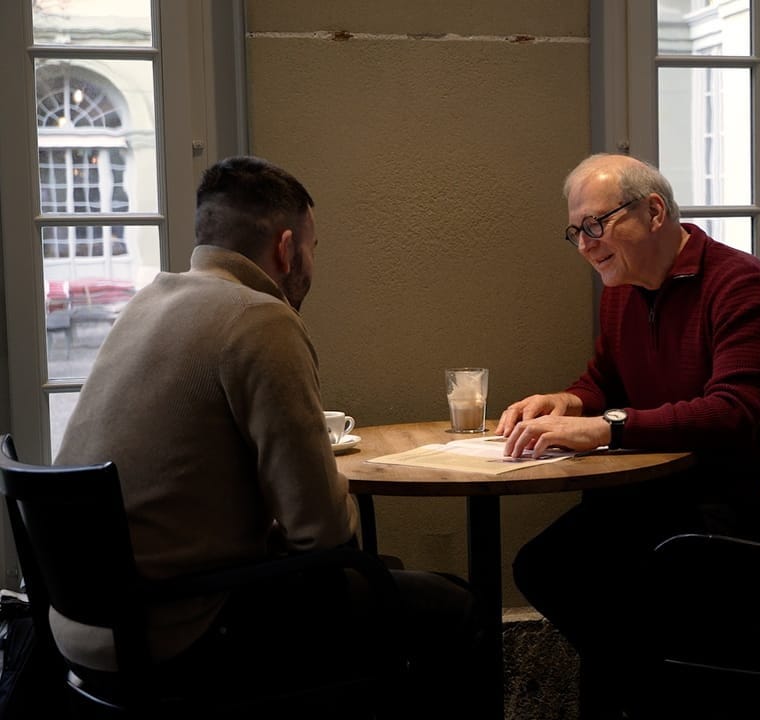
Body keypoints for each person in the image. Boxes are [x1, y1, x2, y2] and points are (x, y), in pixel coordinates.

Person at [55, 155, 484, 717]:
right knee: (455, 604)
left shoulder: (145, 305)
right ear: (286, 249)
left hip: (82, 630)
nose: (310, 262)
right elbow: (324, 533)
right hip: (180, 629)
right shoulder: (259, 319)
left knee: (391, 580)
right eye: (313, 248)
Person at [495, 152, 760, 718]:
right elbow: (604, 381)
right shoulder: (621, 289)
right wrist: (564, 401)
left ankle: (658, 697)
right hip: (665, 493)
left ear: (655, 211)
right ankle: (654, 694)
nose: (586, 245)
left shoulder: (740, 284)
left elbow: (731, 413)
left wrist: (607, 427)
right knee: (544, 566)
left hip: (745, 503)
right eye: (576, 232)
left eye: (597, 225)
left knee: (604, 578)